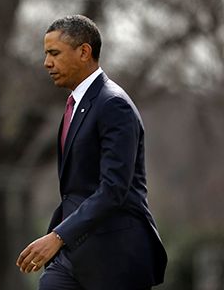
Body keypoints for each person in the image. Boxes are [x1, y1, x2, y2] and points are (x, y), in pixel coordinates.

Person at [16, 15, 167, 290]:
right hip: (73, 255)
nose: (46, 63)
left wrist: (57, 237)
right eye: (46, 54)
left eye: (54, 53)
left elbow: (113, 189)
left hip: (115, 257)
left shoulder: (113, 105)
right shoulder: (76, 102)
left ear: (84, 52)